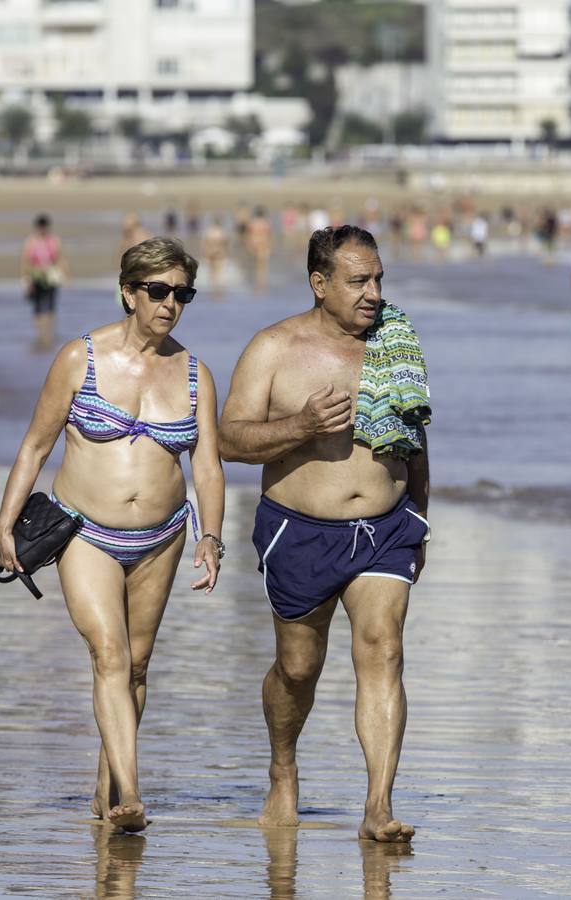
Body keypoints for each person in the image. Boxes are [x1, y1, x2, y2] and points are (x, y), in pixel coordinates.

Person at [0, 236, 225, 833]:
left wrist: (212, 537)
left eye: (182, 293)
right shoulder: (81, 358)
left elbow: (207, 466)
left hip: (164, 535)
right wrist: (5, 521)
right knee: (110, 653)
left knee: (139, 664)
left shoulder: (196, 373)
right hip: (86, 532)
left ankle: (106, 795)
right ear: (129, 292)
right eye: (158, 291)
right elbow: (36, 444)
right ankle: (131, 791)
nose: (170, 303)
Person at [217, 225, 431, 843]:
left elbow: (416, 432)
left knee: (383, 648)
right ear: (320, 283)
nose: (373, 293)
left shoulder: (396, 340)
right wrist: (302, 426)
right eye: (358, 281)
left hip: (387, 530)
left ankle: (378, 806)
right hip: (301, 532)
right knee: (298, 667)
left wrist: (420, 516)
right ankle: (283, 767)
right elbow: (231, 439)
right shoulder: (275, 347)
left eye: (379, 279)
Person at [22, 214, 66, 351]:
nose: (42, 230)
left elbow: (60, 257)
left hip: (51, 276)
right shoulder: (31, 242)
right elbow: (25, 261)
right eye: (40, 227)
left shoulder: (54, 240)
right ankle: (41, 334)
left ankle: (49, 334)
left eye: (44, 227)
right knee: (38, 307)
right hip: (36, 277)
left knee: (51, 305)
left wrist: (64, 273)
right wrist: (26, 279)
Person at [246, 206, 273, 292]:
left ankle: (258, 281)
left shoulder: (253, 222)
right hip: (264, 243)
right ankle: (262, 281)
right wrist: (271, 245)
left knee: (257, 264)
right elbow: (269, 235)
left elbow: (249, 235)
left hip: (255, 242)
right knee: (263, 264)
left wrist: (248, 245)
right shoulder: (266, 223)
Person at [202, 215, 228, 298]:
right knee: (217, 270)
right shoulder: (221, 231)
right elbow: (224, 243)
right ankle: (216, 287)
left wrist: (206, 250)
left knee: (213, 270)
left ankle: (214, 287)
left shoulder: (210, 231)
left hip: (212, 251)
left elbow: (206, 242)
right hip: (217, 251)